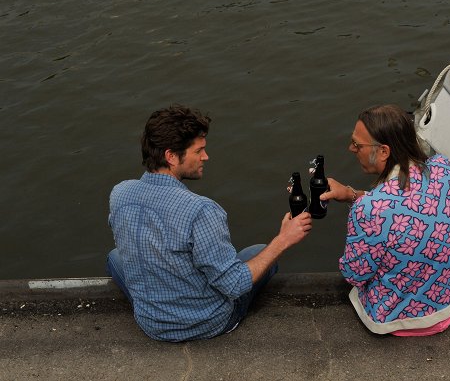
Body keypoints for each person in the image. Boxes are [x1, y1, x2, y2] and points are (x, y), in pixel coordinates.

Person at [106, 105, 312, 342]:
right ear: (171, 156)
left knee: (114, 257)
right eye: (199, 151)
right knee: (258, 253)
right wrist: (283, 240)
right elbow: (234, 285)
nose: (206, 156)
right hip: (207, 322)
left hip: (150, 323)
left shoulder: (120, 193)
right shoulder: (201, 210)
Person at [320, 104, 450, 336]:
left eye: (357, 144)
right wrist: (351, 195)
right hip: (445, 310)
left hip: (394, 321)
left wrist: (358, 207)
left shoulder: (369, 209)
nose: (351, 148)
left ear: (384, 152)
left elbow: (354, 274)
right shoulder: (444, 170)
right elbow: (404, 207)